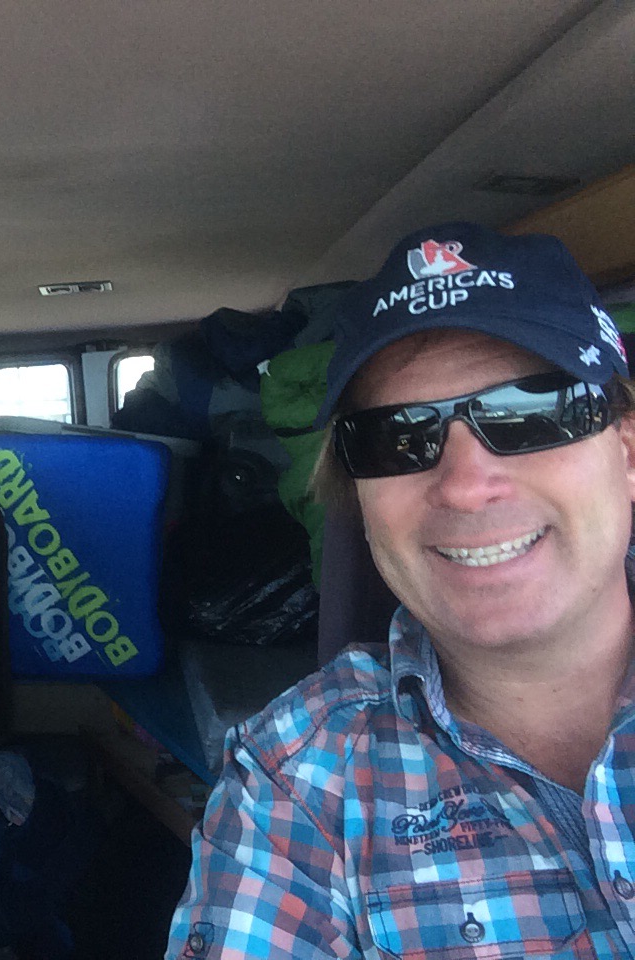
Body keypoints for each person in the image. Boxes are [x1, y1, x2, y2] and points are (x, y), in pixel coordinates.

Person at [166, 221, 635, 959]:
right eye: (398, 438)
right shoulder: (296, 781)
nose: (466, 486)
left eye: (529, 412)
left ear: (627, 451)